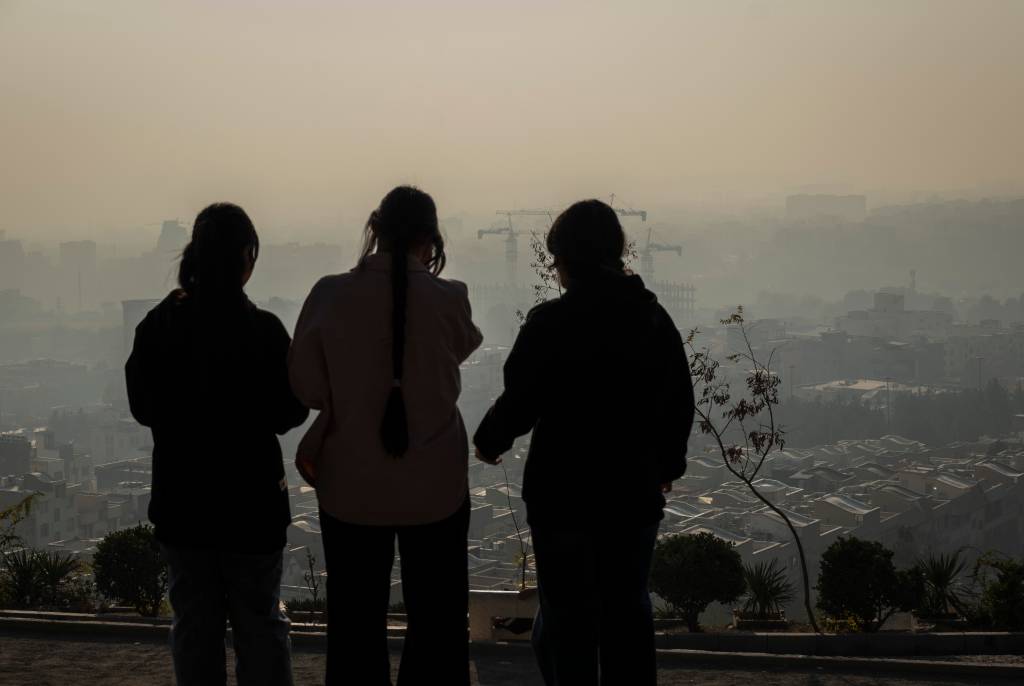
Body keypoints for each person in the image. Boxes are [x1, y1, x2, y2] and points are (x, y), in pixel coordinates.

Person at [473, 199, 695, 686]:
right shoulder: (652, 319)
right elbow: (679, 401)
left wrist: (488, 440)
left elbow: (520, 399)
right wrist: (666, 466)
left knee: (567, 621)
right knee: (627, 615)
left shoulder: (550, 323)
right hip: (633, 495)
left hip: (563, 498)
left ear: (565, 259)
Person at [289, 185, 482, 685]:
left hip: (349, 487)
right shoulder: (450, 298)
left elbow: (307, 387)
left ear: (373, 230)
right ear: (430, 241)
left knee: (354, 625)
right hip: (436, 487)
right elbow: (458, 349)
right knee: (437, 625)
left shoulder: (328, 295)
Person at [125, 203, 309, 686]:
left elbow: (142, 407)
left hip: (182, 504)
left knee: (194, 626)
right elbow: (291, 412)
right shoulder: (264, 331)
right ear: (246, 257)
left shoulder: (159, 327)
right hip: (252, 506)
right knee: (260, 624)